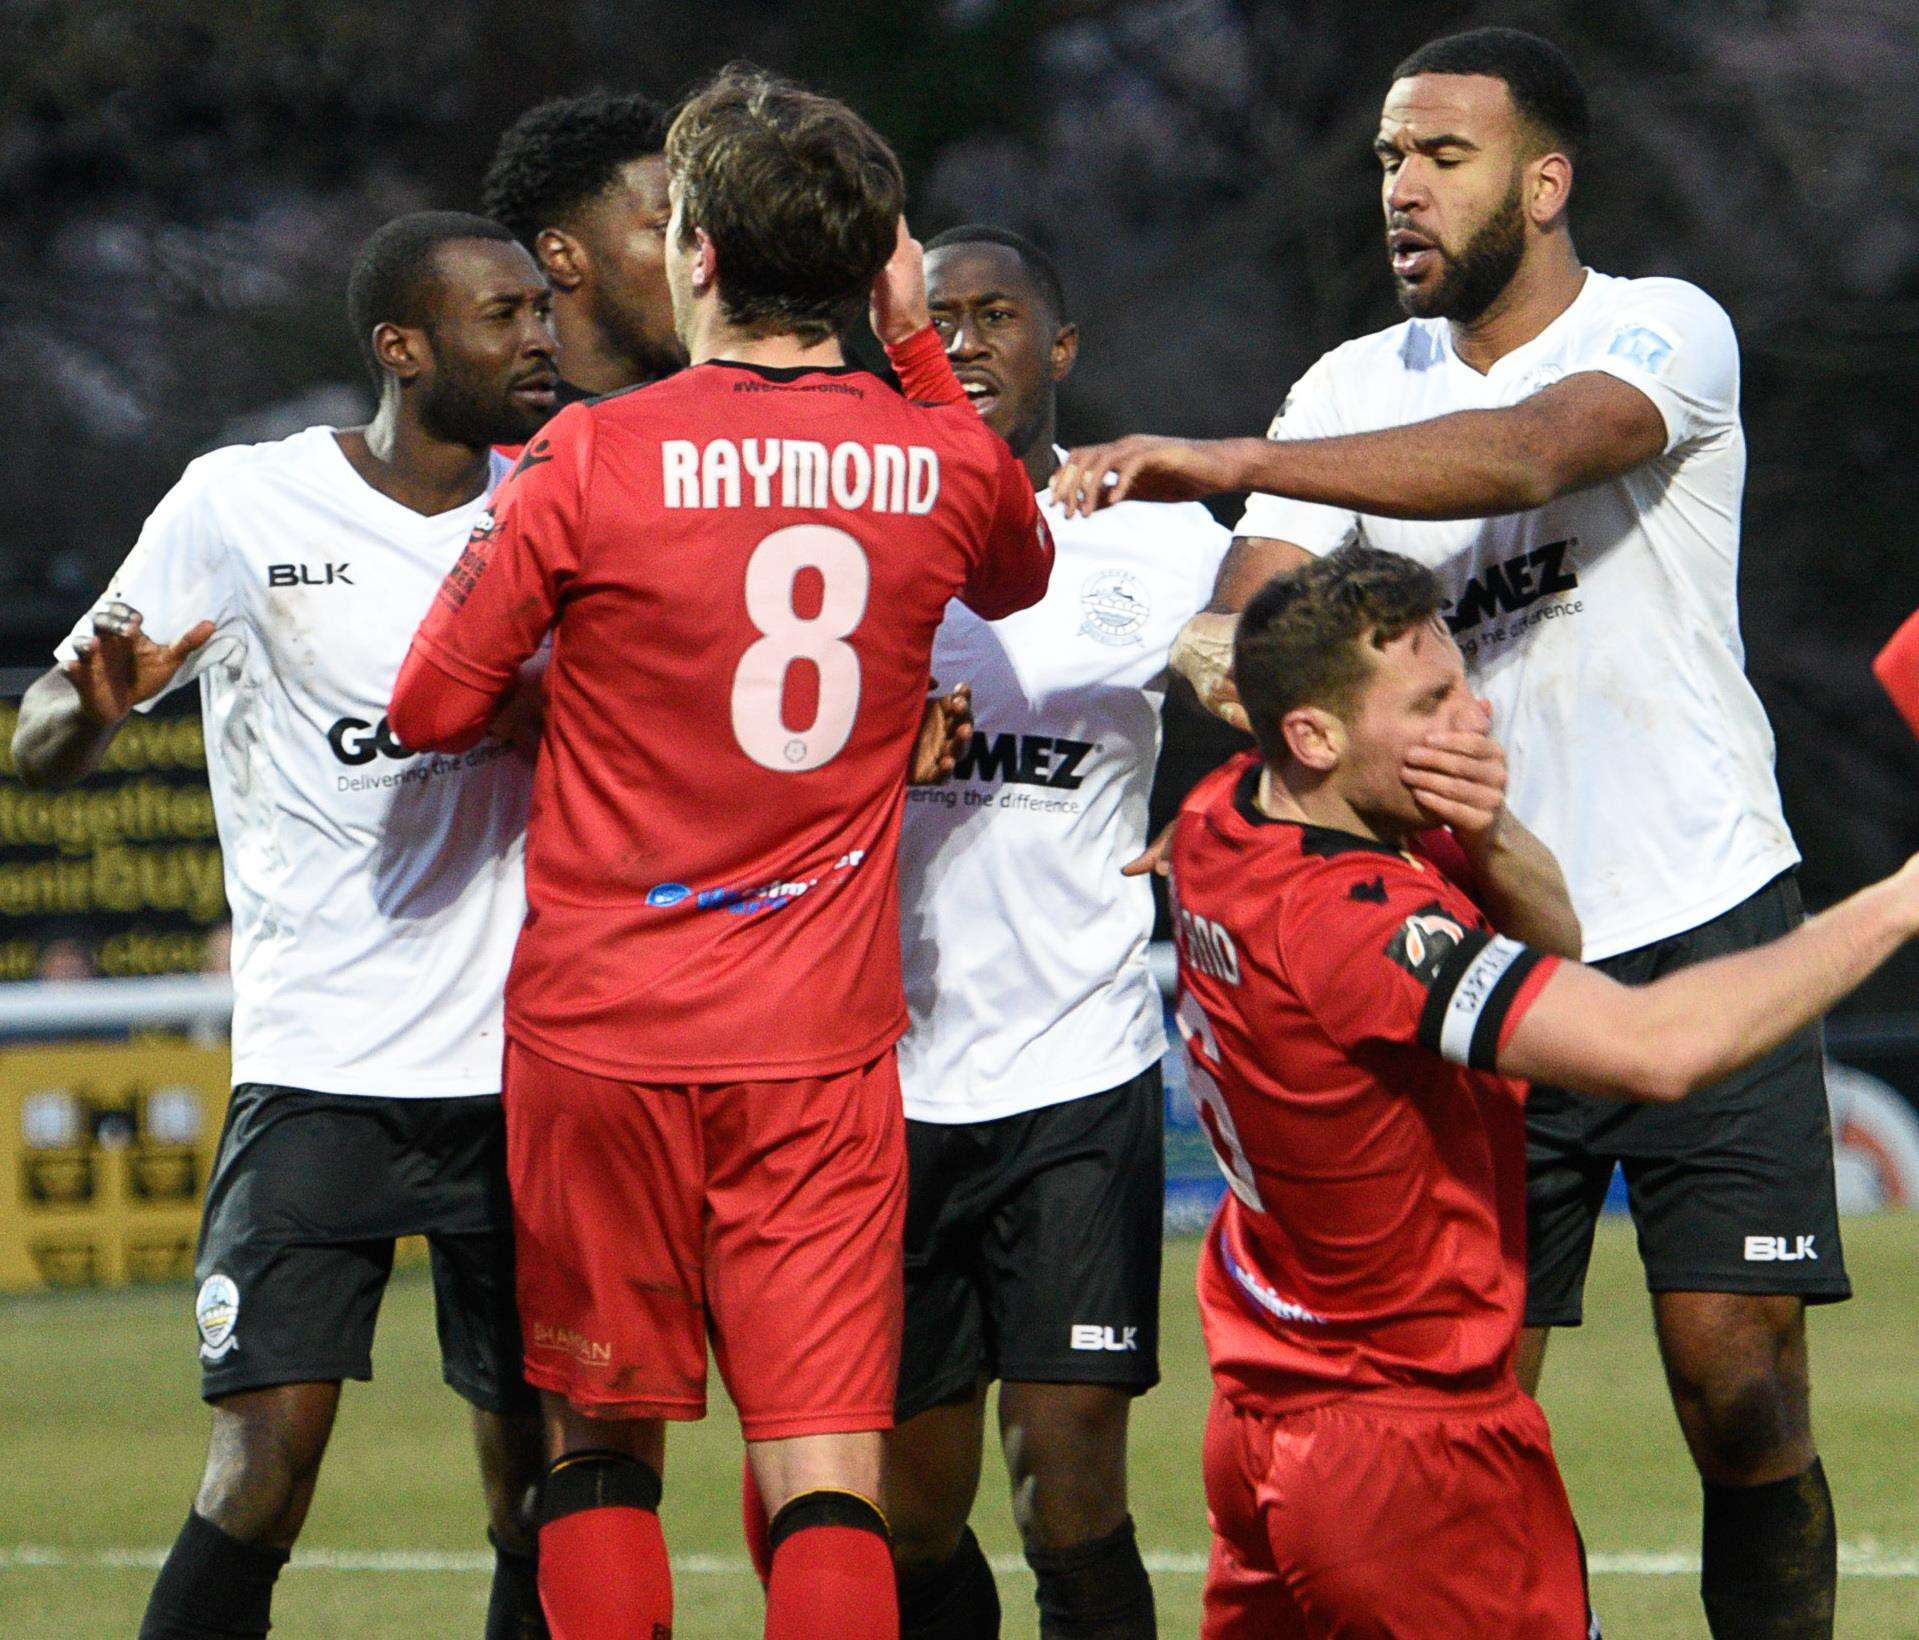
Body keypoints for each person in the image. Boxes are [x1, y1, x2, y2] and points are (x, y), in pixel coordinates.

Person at [1051, 28, 1843, 1636]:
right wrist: (1249, 777)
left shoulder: (1658, 329)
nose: (1401, 190)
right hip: (1466, 963)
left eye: (1442, 158)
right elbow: (1238, 646)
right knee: (1468, 1392)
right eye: (1387, 162)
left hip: (1698, 904)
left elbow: (1548, 450)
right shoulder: (1348, 386)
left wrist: (1233, 459)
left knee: (1738, 1391)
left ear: (1542, 183)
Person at [387, 66, 1054, 1640]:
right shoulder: (943, 463)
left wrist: (596, 681)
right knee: (826, 1466)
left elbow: (428, 703)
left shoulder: (592, 459)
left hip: (602, 1029)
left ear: (693, 255)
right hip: (816, 1043)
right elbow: (1018, 572)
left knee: (602, 1448)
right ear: (869, 262)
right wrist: (912, 350)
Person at [1174, 543, 1919, 1638]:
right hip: (1410, 1453)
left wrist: (1486, 825)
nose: (1473, 714)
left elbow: (1553, 941)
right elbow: (1652, 1047)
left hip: (1265, 1406)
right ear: (1314, 733)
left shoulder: (1223, 815)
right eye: (1429, 700)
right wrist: (1896, 904)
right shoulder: (1354, 924)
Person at [11, 211, 560, 1640]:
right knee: (261, 1473)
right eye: (500, 316)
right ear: (403, 345)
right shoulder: (242, 504)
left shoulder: (559, 502)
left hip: (529, 1071)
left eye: (539, 311)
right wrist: (92, 702)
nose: (540, 336)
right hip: (320, 1073)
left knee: (541, 1493)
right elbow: (50, 727)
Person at [886, 224, 1228, 1640]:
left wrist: (1233, 792)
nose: (965, 341)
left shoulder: (1158, 542)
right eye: (938, 316)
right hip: (877, 1079)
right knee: (908, 1507)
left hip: (1075, 1072)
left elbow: (1275, 694)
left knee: (1069, 1480)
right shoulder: (837, 545)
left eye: (996, 315)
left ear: (1058, 348)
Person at [483, 90, 685, 404]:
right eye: (667, 228)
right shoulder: (498, 446)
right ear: (562, 258)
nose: (703, 255)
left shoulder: (728, 431)